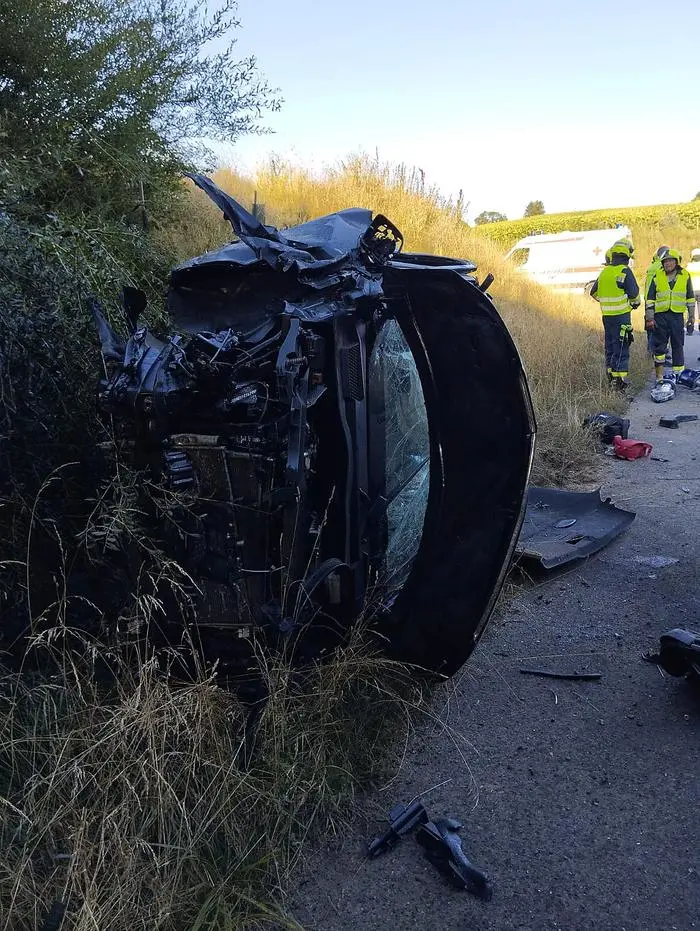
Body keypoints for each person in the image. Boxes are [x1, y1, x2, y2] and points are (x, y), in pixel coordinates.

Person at [590, 240, 640, 390]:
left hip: (607, 317)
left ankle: (610, 378)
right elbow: (635, 295)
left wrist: (606, 302)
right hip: (622, 316)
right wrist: (633, 304)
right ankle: (620, 383)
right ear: (627, 257)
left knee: (610, 347)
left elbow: (593, 292)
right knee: (622, 347)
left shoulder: (604, 272)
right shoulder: (624, 271)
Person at [645, 249, 696, 384]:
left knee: (678, 345)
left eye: (670, 261)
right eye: (665, 261)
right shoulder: (657, 275)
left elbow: (690, 297)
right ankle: (659, 377)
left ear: (676, 262)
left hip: (677, 317)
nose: (667, 264)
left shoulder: (685, 275)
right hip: (660, 317)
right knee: (660, 347)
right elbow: (650, 299)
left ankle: (678, 375)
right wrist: (650, 318)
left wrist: (691, 317)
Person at [645, 246, 670, 354]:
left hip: (649, 302)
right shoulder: (661, 267)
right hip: (659, 303)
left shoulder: (652, 266)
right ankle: (657, 353)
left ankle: (652, 352)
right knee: (660, 331)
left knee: (651, 328)